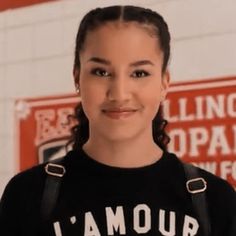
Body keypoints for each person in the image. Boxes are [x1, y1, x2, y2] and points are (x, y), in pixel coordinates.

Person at [0, 5, 235, 236]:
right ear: (77, 78)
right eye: (101, 72)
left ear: (164, 83)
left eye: (139, 73)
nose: (120, 93)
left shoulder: (216, 201)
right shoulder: (28, 194)